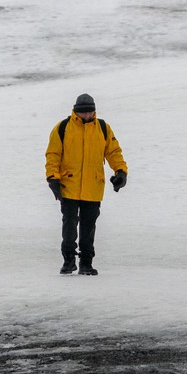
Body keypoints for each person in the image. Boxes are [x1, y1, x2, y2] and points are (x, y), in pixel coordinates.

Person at [44, 93, 127, 276]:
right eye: (83, 112)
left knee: (89, 227)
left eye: (90, 112)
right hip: (68, 185)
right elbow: (53, 155)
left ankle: (86, 263)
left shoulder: (103, 128)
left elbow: (113, 152)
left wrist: (121, 172)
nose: (87, 115)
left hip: (93, 186)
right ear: (76, 111)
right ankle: (68, 261)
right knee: (69, 225)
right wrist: (52, 178)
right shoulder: (63, 127)